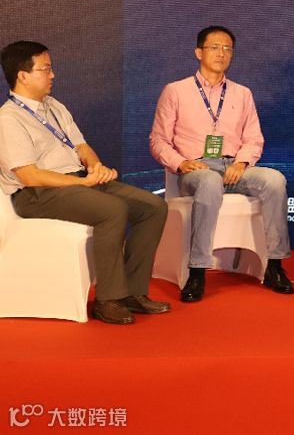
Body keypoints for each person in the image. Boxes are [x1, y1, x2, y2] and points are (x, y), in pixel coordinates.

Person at [0, 41, 169, 325]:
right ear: (23, 75)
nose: (53, 75)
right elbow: (30, 176)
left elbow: (81, 146)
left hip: (79, 180)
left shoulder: (54, 106)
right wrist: (84, 183)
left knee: (153, 207)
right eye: (45, 69)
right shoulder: (9, 119)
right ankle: (108, 299)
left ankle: (133, 292)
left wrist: (96, 168)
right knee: (112, 209)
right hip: (38, 193)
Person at [149, 26, 293, 302]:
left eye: (227, 48)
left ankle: (275, 265)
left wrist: (242, 162)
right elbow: (158, 140)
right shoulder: (176, 91)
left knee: (274, 180)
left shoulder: (242, 93)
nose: (221, 53)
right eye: (214, 47)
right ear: (199, 52)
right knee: (209, 180)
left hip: (234, 167)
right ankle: (197, 270)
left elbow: (254, 138)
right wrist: (181, 163)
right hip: (197, 169)